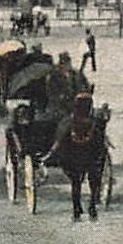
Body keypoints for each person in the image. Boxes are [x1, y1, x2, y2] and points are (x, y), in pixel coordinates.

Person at [44, 92, 103, 222]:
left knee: (76, 181)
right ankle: (91, 205)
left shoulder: (69, 124)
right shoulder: (93, 126)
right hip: (61, 107)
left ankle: (78, 208)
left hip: (74, 154)